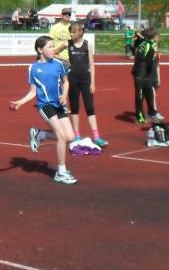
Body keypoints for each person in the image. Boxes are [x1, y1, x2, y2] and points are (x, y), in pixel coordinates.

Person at [9, 36, 78, 185]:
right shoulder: (33, 68)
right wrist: (20, 102)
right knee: (61, 136)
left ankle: (40, 134)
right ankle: (61, 172)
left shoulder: (59, 64)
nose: (53, 49)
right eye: (50, 47)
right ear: (40, 50)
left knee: (70, 137)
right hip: (45, 105)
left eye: (53, 46)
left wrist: (64, 94)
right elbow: (33, 91)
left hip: (59, 104)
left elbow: (66, 82)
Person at [67, 21, 108, 146]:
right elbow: (55, 52)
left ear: (80, 32)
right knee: (74, 107)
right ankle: (77, 135)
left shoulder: (87, 44)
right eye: (70, 32)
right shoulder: (67, 44)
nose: (71, 34)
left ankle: (97, 137)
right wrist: (64, 59)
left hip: (86, 79)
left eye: (73, 32)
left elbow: (91, 64)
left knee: (90, 107)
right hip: (72, 79)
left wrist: (92, 83)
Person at [132, 26, 163, 124]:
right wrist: (154, 55)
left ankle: (152, 113)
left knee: (149, 94)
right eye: (157, 35)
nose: (158, 37)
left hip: (141, 73)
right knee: (140, 96)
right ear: (154, 36)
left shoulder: (143, 43)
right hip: (142, 74)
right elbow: (149, 61)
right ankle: (140, 118)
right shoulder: (150, 45)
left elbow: (135, 51)